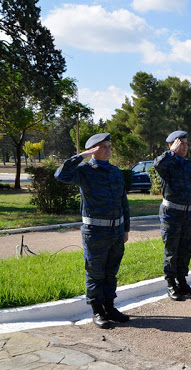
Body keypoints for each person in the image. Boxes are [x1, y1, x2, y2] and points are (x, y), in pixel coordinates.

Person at [55, 133, 130, 329]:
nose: (108, 149)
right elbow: (60, 174)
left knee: (111, 272)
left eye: (109, 146)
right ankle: (97, 311)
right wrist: (82, 155)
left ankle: (110, 307)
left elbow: (124, 202)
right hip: (95, 231)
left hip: (116, 231)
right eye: (103, 146)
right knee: (95, 273)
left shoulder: (115, 172)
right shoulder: (84, 171)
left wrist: (126, 228)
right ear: (93, 150)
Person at [154, 130, 191, 301]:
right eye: (182, 143)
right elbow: (157, 165)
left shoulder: (188, 165)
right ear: (173, 144)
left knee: (185, 250)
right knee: (172, 251)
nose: (185, 147)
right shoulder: (167, 163)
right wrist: (171, 152)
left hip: (187, 214)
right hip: (171, 213)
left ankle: (182, 281)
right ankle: (171, 283)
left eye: (187, 144)